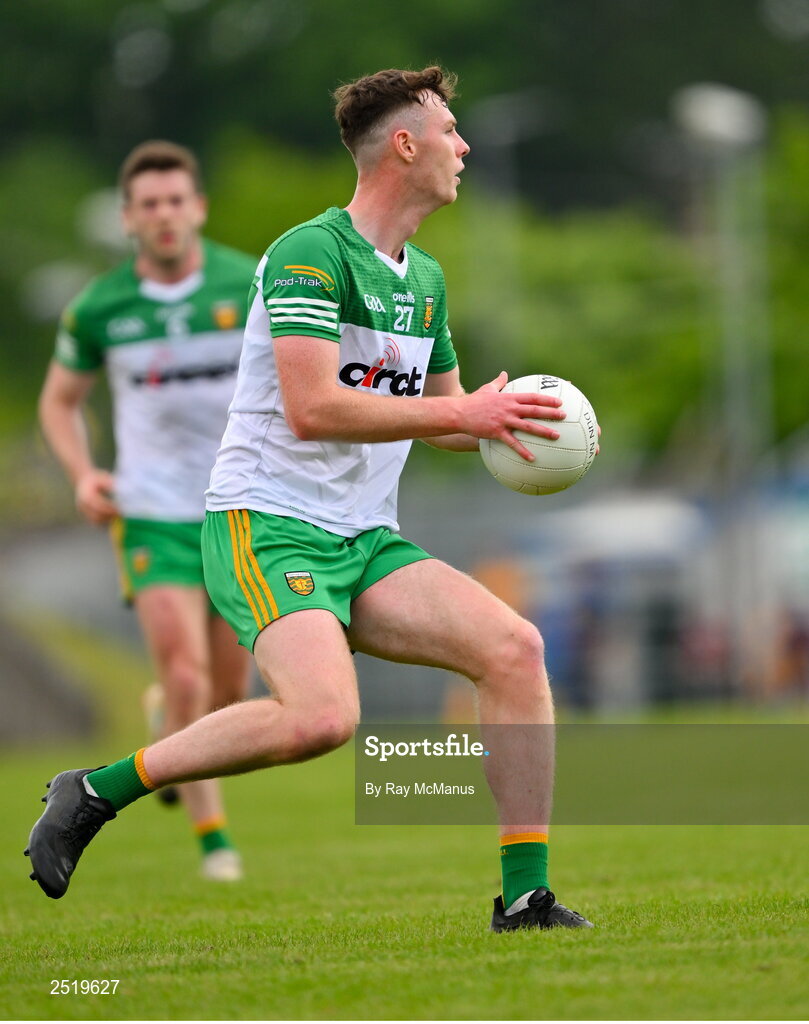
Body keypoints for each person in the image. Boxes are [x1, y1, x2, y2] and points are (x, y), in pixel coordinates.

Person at [27, 70, 593, 930]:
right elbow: (313, 406)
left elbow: (441, 419)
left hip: (364, 538)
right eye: (450, 129)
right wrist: (460, 408)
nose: (464, 147)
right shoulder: (306, 253)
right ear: (404, 145)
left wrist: (501, 424)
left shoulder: (427, 279)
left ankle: (525, 897)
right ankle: (96, 790)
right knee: (322, 718)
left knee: (513, 648)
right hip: (269, 526)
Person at [35, 140, 255, 882]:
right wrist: (82, 474)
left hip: (240, 507)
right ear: (128, 219)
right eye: (147, 204)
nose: (163, 215)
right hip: (152, 512)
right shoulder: (101, 306)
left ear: (197, 208)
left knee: (232, 691)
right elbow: (59, 403)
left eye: (174, 200)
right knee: (190, 676)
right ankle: (215, 844)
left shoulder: (249, 282)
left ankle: (169, 723)